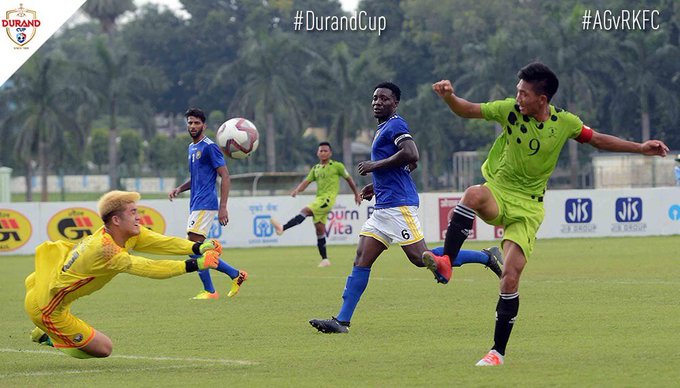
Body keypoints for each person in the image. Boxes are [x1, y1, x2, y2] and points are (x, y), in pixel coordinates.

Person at [428, 62, 670, 366]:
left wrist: (639, 148)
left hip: (529, 208)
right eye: (517, 91)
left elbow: (597, 140)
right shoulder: (509, 110)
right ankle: (447, 262)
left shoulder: (565, 122)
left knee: (510, 279)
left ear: (542, 99)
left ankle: (496, 353)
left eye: (524, 94)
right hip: (499, 191)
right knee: (473, 194)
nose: (517, 98)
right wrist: (449, 97)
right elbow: (468, 109)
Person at [309, 82, 504, 334]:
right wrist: (376, 186)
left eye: (384, 99)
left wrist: (375, 166)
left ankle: (485, 257)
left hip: (399, 206)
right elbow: (405, 167)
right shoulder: (383, 129)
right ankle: (342, 321)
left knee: (419, 259)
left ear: (395, 103)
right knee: (361, 259)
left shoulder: (396, 125)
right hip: (383, 208)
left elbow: (412, 155)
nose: (377, 102)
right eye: (375, 98)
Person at [24, 191, 224, 359]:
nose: (138, 217)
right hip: (47, 308)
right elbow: (148, 267)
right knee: (104, 349)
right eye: (133, 212)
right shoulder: (106, 249)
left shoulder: (124, 234)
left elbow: (163, 242)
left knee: (97, 345)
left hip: (50, 292)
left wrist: (198, 247)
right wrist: (195, 264)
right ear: (116, 220)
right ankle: (47, 336)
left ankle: (51, 332)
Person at [169, 108, 247, 300]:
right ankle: (235, 275)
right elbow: (196, 178)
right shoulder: (191, 148)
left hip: (206, 203)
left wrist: (223, 207)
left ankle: (211, 290)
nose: (193, 126)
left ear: (204, 126)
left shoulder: (210, 147)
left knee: (192, 247)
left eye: (196, 123)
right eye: (190, 122)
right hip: (195, 203)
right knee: (198, 249)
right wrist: (180, 188)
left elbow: (225, 175)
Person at [270, 142, 362, 267]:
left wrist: (356, 193)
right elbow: (306, 182)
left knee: (305, 210)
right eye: (321, 151)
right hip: (319, 199)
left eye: (325, 151)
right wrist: (297, 190)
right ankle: (325, 259)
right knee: (319, 230)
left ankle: (283, 228)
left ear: (330, 153)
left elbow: (349, 179)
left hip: (327, 200)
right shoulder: (315, 169)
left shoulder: (337, 166)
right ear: (317, 153)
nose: (323, 153)